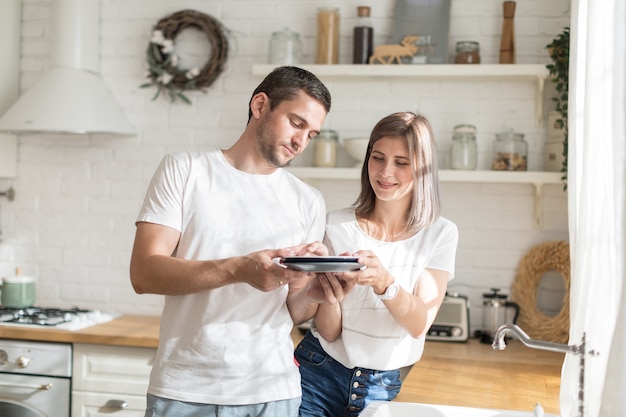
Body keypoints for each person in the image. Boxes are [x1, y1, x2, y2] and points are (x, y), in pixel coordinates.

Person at [130, 66, 340, 417]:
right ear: (260, 105)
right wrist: (239, 269)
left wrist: (312, 294)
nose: (301, 141)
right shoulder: (185, 171)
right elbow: (144, 273)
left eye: (312, 134)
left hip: (272, 392)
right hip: (185, 390)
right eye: (296, 123)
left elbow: (294, 310)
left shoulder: (308, 200)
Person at [295, 111, 459, 417]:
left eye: (401, 162)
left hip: (381, 387)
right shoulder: (336, 225)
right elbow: (329, 333)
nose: (385, 172)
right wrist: (331, 292)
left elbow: (418, 323)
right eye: (378, 157)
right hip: (317, 373)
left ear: (423, 168)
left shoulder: (439, 234)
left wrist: (385, 281)